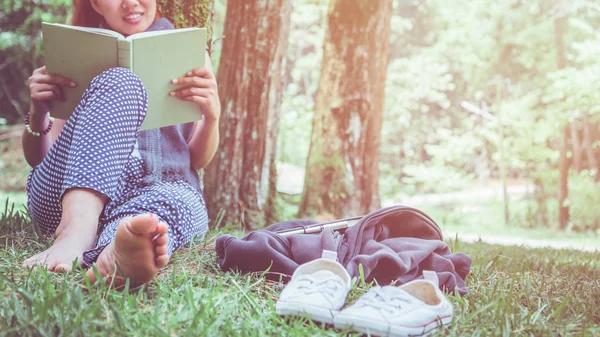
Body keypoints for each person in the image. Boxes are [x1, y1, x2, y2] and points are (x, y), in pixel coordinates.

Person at [21, 0, 220, 287]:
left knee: (171, 207)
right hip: (63, 200)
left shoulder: (188, 51)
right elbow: (41, 160)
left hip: (154, 190)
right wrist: (38, 111)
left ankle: (119, 249)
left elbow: (197, 160)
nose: (131, 3)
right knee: (121, 81)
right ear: (96, 3)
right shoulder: (72, 51)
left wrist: (213, 116)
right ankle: (76, 232)